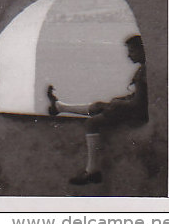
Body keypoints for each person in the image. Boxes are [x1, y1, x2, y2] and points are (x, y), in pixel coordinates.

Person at [47, 34, 148, 185]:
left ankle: (92, 171)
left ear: (143, 50)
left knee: (91, 124)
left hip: (135, 113)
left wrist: (118, 104)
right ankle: (59, 107)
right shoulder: (144, 69)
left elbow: (138, 104)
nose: (128, 55)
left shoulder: (144, 73)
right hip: (132, 110)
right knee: (98, 106)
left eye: (132, 51)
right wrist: (120, 101)